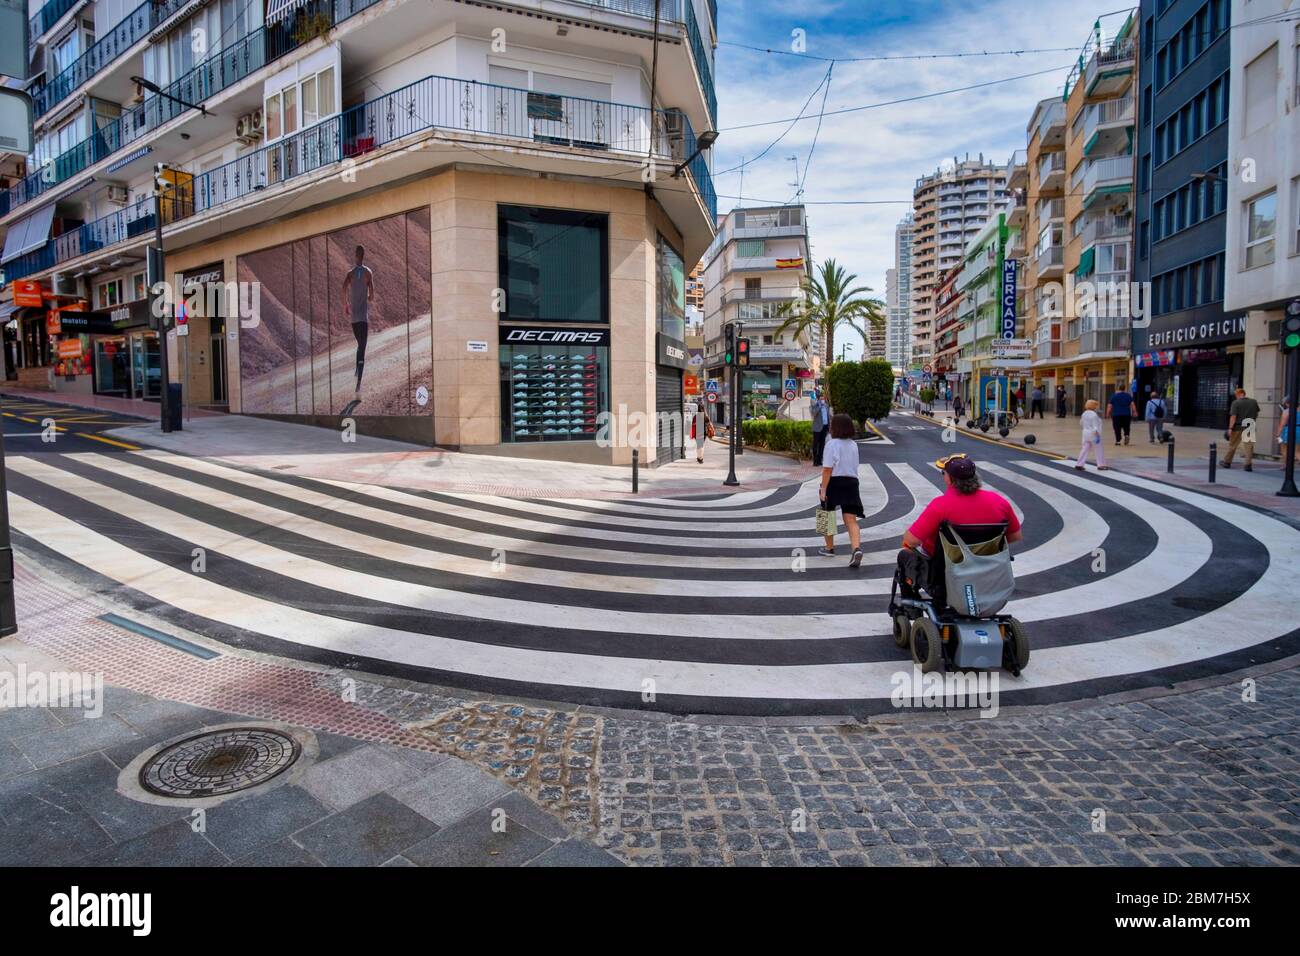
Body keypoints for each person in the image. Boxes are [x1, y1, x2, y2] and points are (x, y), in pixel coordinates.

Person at [897, 453, 1022, 603]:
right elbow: (1015, 536)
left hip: (946, 576)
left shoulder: (941, 506)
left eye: (943, 473)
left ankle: (910, 604)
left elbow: (911, 540)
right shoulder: (999, 502)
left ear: (950, 479)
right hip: (988, 572)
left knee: (904, 555)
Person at [817, 413, 865, 569]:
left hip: (834, 482)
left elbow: (827, 469)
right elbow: (855, 465)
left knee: (826, 514)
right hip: (852, 482)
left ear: (835, 427)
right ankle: (856, 549)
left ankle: (829, 548)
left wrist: (823, 488)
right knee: (851, 519)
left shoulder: (831, 444)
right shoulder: (853, 444)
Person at [342, 244, 374, 396]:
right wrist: (366, 296)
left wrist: (346, 304)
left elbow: (343, 288)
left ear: (356, 256)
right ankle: (359, 382)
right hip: (363, 319)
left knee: (359, 345)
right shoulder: (368, 273)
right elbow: (372, 297)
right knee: (362, 346)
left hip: (354, 319)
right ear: (364, 256)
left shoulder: (350, 274)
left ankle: (357, 370)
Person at [1220, 387, 1261, 471]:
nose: (1236, 396)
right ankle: (1248, 465)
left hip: (1238, 426)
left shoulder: (1236, 403)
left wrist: (1230, 428)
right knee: (1249, 446)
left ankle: (1227, 462)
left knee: (1233, 445)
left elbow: (1233, 417)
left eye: (1236, 395)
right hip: (1250, 425)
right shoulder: (1253, 402)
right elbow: (1257, 413)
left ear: (1240, 394)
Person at [1076, 398, 1109, 470]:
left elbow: (1081, 423)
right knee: (1099, 449)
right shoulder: (1094, 415)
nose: (1097, 407)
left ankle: (1079, 464)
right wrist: (1097, 436)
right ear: (1093, 406)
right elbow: (1095, 427)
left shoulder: (1084, 414)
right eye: (1096, 405)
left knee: (1084, 449)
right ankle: (1101, 465)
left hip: (1085, 433)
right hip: (1093, 434)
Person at [810, 390, 830, 466]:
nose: (822, 400)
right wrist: (819, 406)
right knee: (815, 445)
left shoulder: (826, 405)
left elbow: (828, 417)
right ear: (818, 399)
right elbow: (813, 414)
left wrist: (829, 427)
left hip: (824, 427)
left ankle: (820, 460)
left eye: (823, 398)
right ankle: (815, 461)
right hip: (817, 428)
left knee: (822, 445)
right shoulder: (814, 405)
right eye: (821, 398)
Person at [1277, 398, 1298, 465]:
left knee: (1284, 449)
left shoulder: (1286, 411)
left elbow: (1282, 424)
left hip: (1288, 431)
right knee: (1297, 451)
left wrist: (1278, 434)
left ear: (1287, 404)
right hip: (1299, 430)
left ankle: (1287, 465)